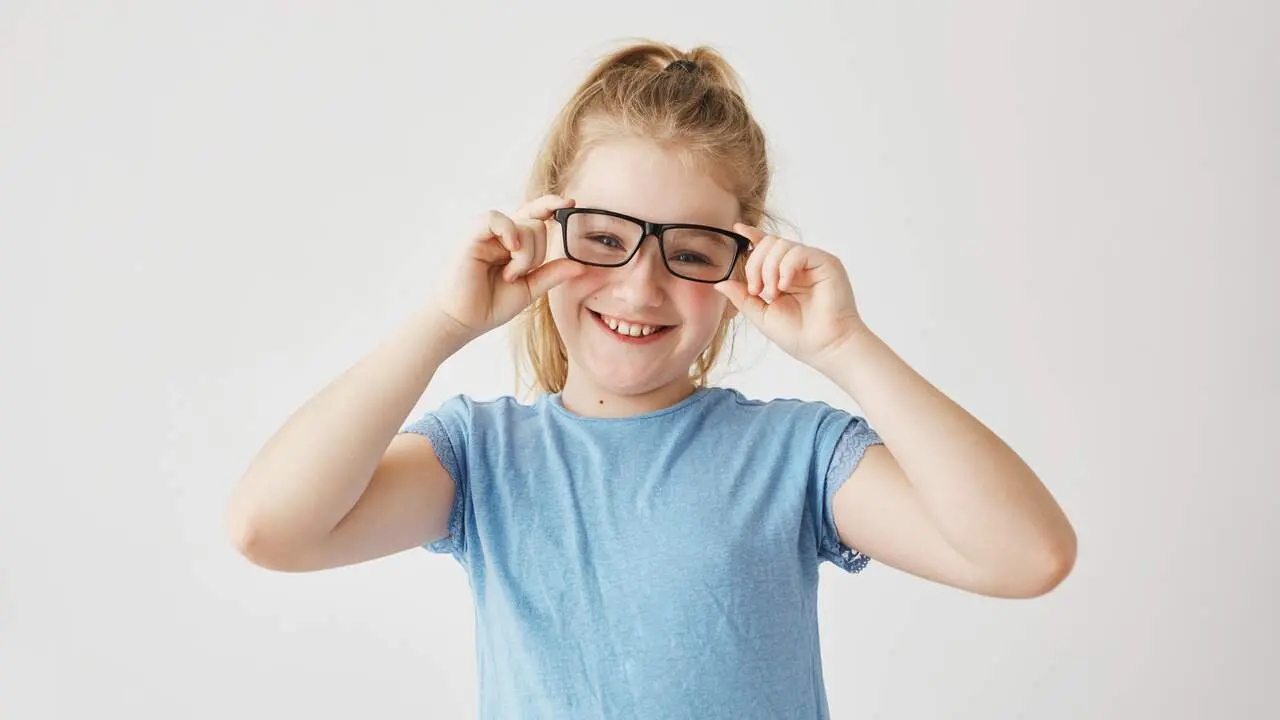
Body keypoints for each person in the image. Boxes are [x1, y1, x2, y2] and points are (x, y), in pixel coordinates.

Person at [228, 41, 1077, 719]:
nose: (640, 286)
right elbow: (271, 529)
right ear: (546, 231)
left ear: (740, 275)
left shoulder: (794, 458)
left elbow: (1027, 557)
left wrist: (847, 346)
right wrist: (443, 326)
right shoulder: (482, 459)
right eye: (604, 237)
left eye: (692, 252)